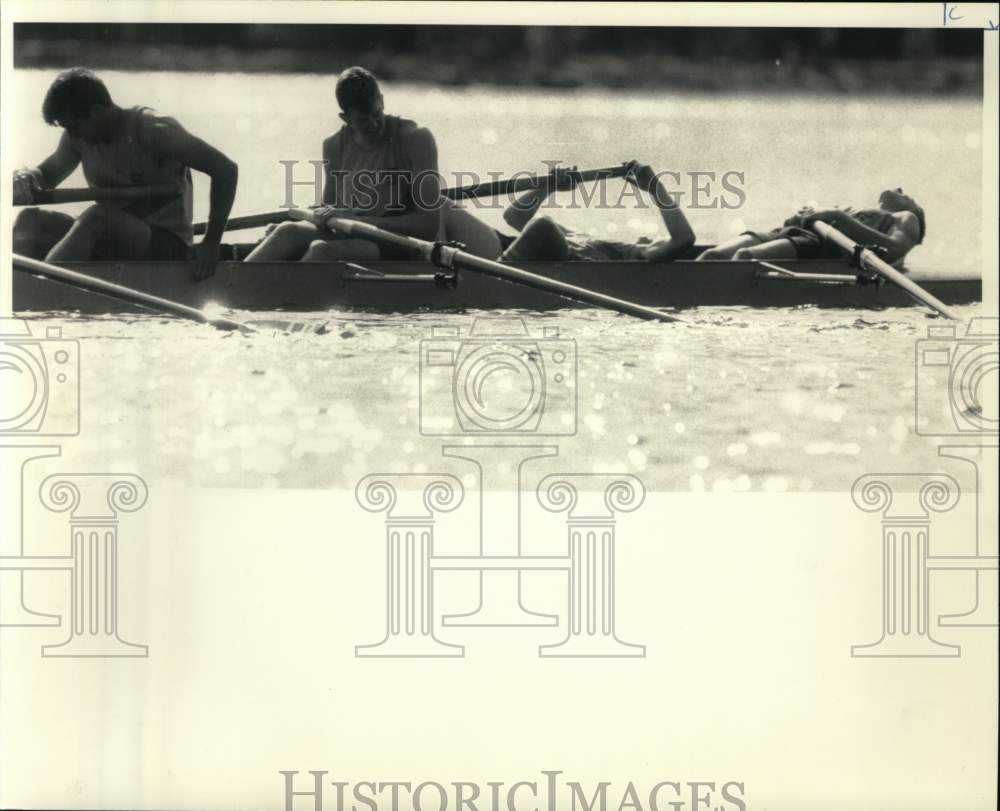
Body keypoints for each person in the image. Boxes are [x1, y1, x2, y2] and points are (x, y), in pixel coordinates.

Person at [12, 68, 238, 280]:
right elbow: (46, 175)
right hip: (112, 237)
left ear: (97, 112)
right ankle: (16, 286)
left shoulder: (154, 130)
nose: (72, 135)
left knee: (97, 217)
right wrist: (26, 176)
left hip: (167, 245)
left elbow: (226, 170)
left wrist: (211, 242)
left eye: (74, 127)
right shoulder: (78, 137)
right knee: (29, 219)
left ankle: (40, 288)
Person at [246, 66, 441, 262]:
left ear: (381, 100)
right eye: (364, 121)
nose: (374, 125)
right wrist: (312, 219)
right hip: (351, 233)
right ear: (346, 118)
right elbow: (328, 214)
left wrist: (355, 220)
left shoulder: (415, 139)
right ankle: (235, 290)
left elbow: (428, 226)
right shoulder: (334, 146)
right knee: (285, 232)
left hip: (399, 243)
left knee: (322, 251)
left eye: (377, 114)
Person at [496, 161, 696, 262]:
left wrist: (655, 188)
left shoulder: (634, 256)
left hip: (567, 262)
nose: (647, 237)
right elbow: (514, 216)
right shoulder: (584, 238)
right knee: (462, 215)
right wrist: (550, 186)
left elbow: (683, 239)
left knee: (543, 224)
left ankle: (492, 277)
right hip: (542, 254)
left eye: (656, 240)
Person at [696, 188, 925, 266]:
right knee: (712, 255)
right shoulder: (860, 209)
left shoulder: (906, 219)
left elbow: (894, 249)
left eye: (909, 196)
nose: (899, 187)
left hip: (822, 243)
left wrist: (837, 216)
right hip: (791, 231)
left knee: (745, 257)